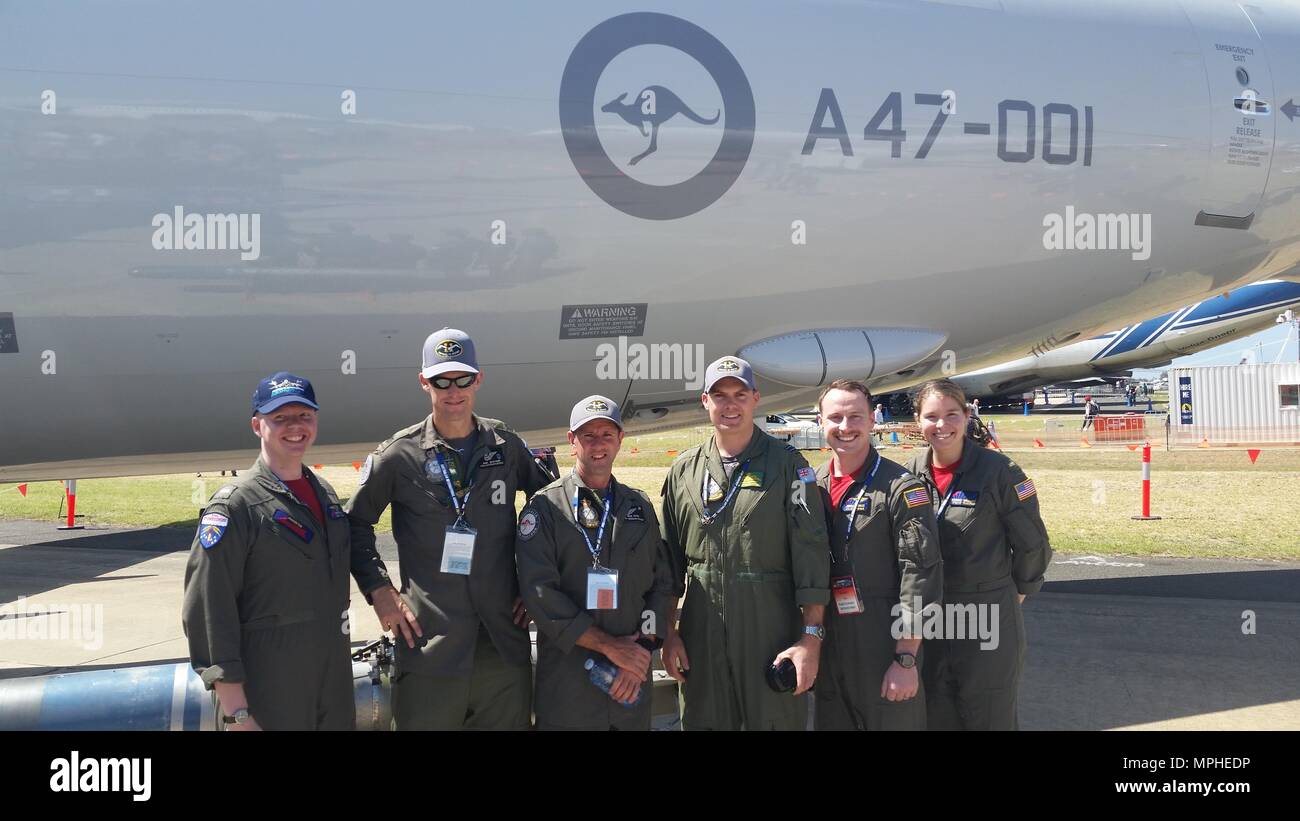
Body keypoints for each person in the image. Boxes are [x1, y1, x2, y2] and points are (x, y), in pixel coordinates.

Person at [346, 328, 555, 730]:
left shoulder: (506, 446)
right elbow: (355, 523)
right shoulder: (398, 455)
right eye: (442, 380)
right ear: (425, 381)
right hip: (429, 646)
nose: (452, 390)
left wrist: (536, 587)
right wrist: (380, 591)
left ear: (478, 379)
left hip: (502, 646)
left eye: (462, 379)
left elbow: (549, 509)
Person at [659, 356, 830, 730]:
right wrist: (668, 634)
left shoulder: (788, 466)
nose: (730, 405)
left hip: (769, 631)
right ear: (705, 401)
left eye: (739, 394)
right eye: (720, 395)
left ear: (755, 398)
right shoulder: (683, 471)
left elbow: (811, 554)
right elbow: (668, 564)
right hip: (701, 635)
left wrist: (811, 638)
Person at [182, 372, 354, 731]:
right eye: (280, 418)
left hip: (332, 689)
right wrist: (237, 712)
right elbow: (208, 609)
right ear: (257, 425)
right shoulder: (236, 507)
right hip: (270, 695)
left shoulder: (324, 494)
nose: (295, 427)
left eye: (304, 416)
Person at [516, 395, 675, 730]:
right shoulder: (546, 508)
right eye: (588, 435)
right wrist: (610, 647)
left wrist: (643, 650)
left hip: (629, 686)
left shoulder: (638, 507)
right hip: (570, 692)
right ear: (572, 441)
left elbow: (661, 583)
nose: (598, 444)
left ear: (620, 440)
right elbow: (539, 594)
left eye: (607, 434)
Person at [904, 379, 1052, 730]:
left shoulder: (999, 472)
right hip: (931, 619)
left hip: (988, 618)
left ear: (967, 415)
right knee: (935, 714)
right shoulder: (910, 473)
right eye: (932, 416)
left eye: (952, 414)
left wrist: (1011, 596)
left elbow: (1033, 545)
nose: (942, 425)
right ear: (918, 420)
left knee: (988, 717)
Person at [814, 379, 942, 730]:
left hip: (882, 640)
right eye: (835, 417)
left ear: (872, 419)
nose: (845, 427)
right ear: (820, 422)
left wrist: (905, 658)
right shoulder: (811, 486)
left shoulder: (900, 488)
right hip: (829, 641)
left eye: (855, 417)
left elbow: (920, 574)